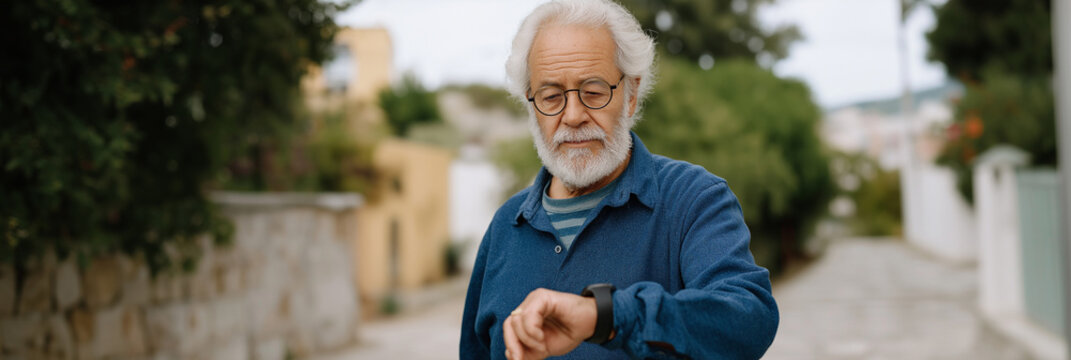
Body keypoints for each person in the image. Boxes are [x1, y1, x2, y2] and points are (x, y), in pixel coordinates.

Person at [460, 0, 779, 358]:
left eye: (594, 92)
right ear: (531, 105)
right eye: (551, 97)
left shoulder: (693, 199)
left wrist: (605, 316)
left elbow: (749, 319)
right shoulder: (506, 225)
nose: (574, 115)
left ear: (630, 95)